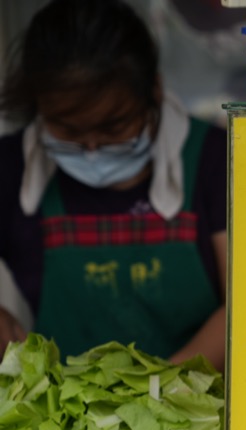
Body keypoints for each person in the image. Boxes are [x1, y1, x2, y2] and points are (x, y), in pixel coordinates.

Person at [0, 0, 227, 370]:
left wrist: (157, 391)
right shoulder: (12, 167)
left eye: (113, 128)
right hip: (61, 419)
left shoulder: (213, 161)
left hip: (196, 407)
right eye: (69, 131)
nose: (92, 148)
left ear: (152, 91)